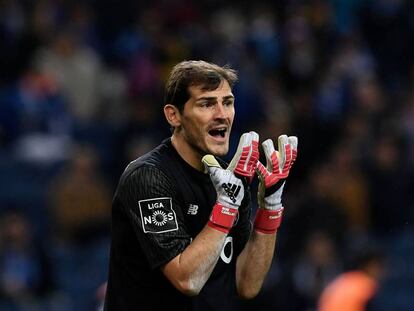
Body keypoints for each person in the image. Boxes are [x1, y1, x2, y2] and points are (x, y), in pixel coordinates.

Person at [103, 60, 298, 310]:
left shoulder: (231, 179)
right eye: (206, 104)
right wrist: (226, 205)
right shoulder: (147, 177)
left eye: (227, 102)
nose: (221, 114)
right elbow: (187, 280)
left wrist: (270, 208)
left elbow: (246, 284)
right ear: (174, 115)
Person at [317, 246, 386, 311]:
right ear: (370, 266)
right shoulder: (366, 283)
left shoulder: (343, 279)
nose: (383, 272)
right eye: (380, 267)